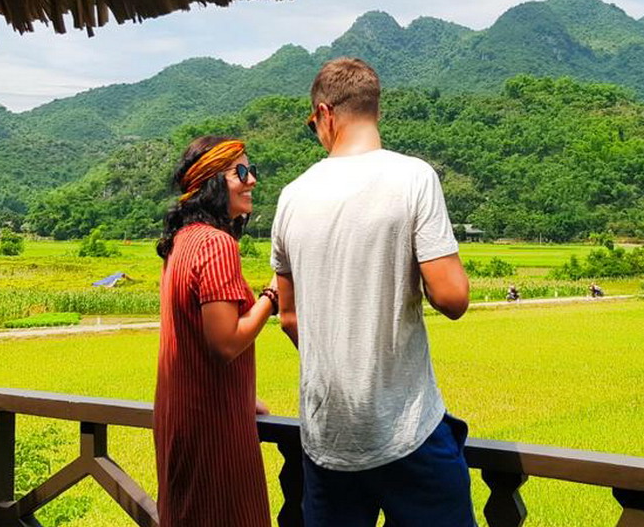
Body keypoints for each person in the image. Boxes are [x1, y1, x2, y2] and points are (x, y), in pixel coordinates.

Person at [270, 58, 475, 527]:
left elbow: (289, 317)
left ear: (324, 114)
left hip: (325, 439)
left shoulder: (292, 196)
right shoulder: (414, 178)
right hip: (408, 430)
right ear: (376, 110)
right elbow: (453, 298)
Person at [153, 136, 280, 527]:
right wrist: (272, 295)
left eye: (251, 169)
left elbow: (190, 336)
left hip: (181, 415)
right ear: (211, 182)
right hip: (213, 428)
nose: (251, 179)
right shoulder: (216, 244)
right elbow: (224, 343)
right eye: (239, 171)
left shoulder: (183, 240)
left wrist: (240, 396)